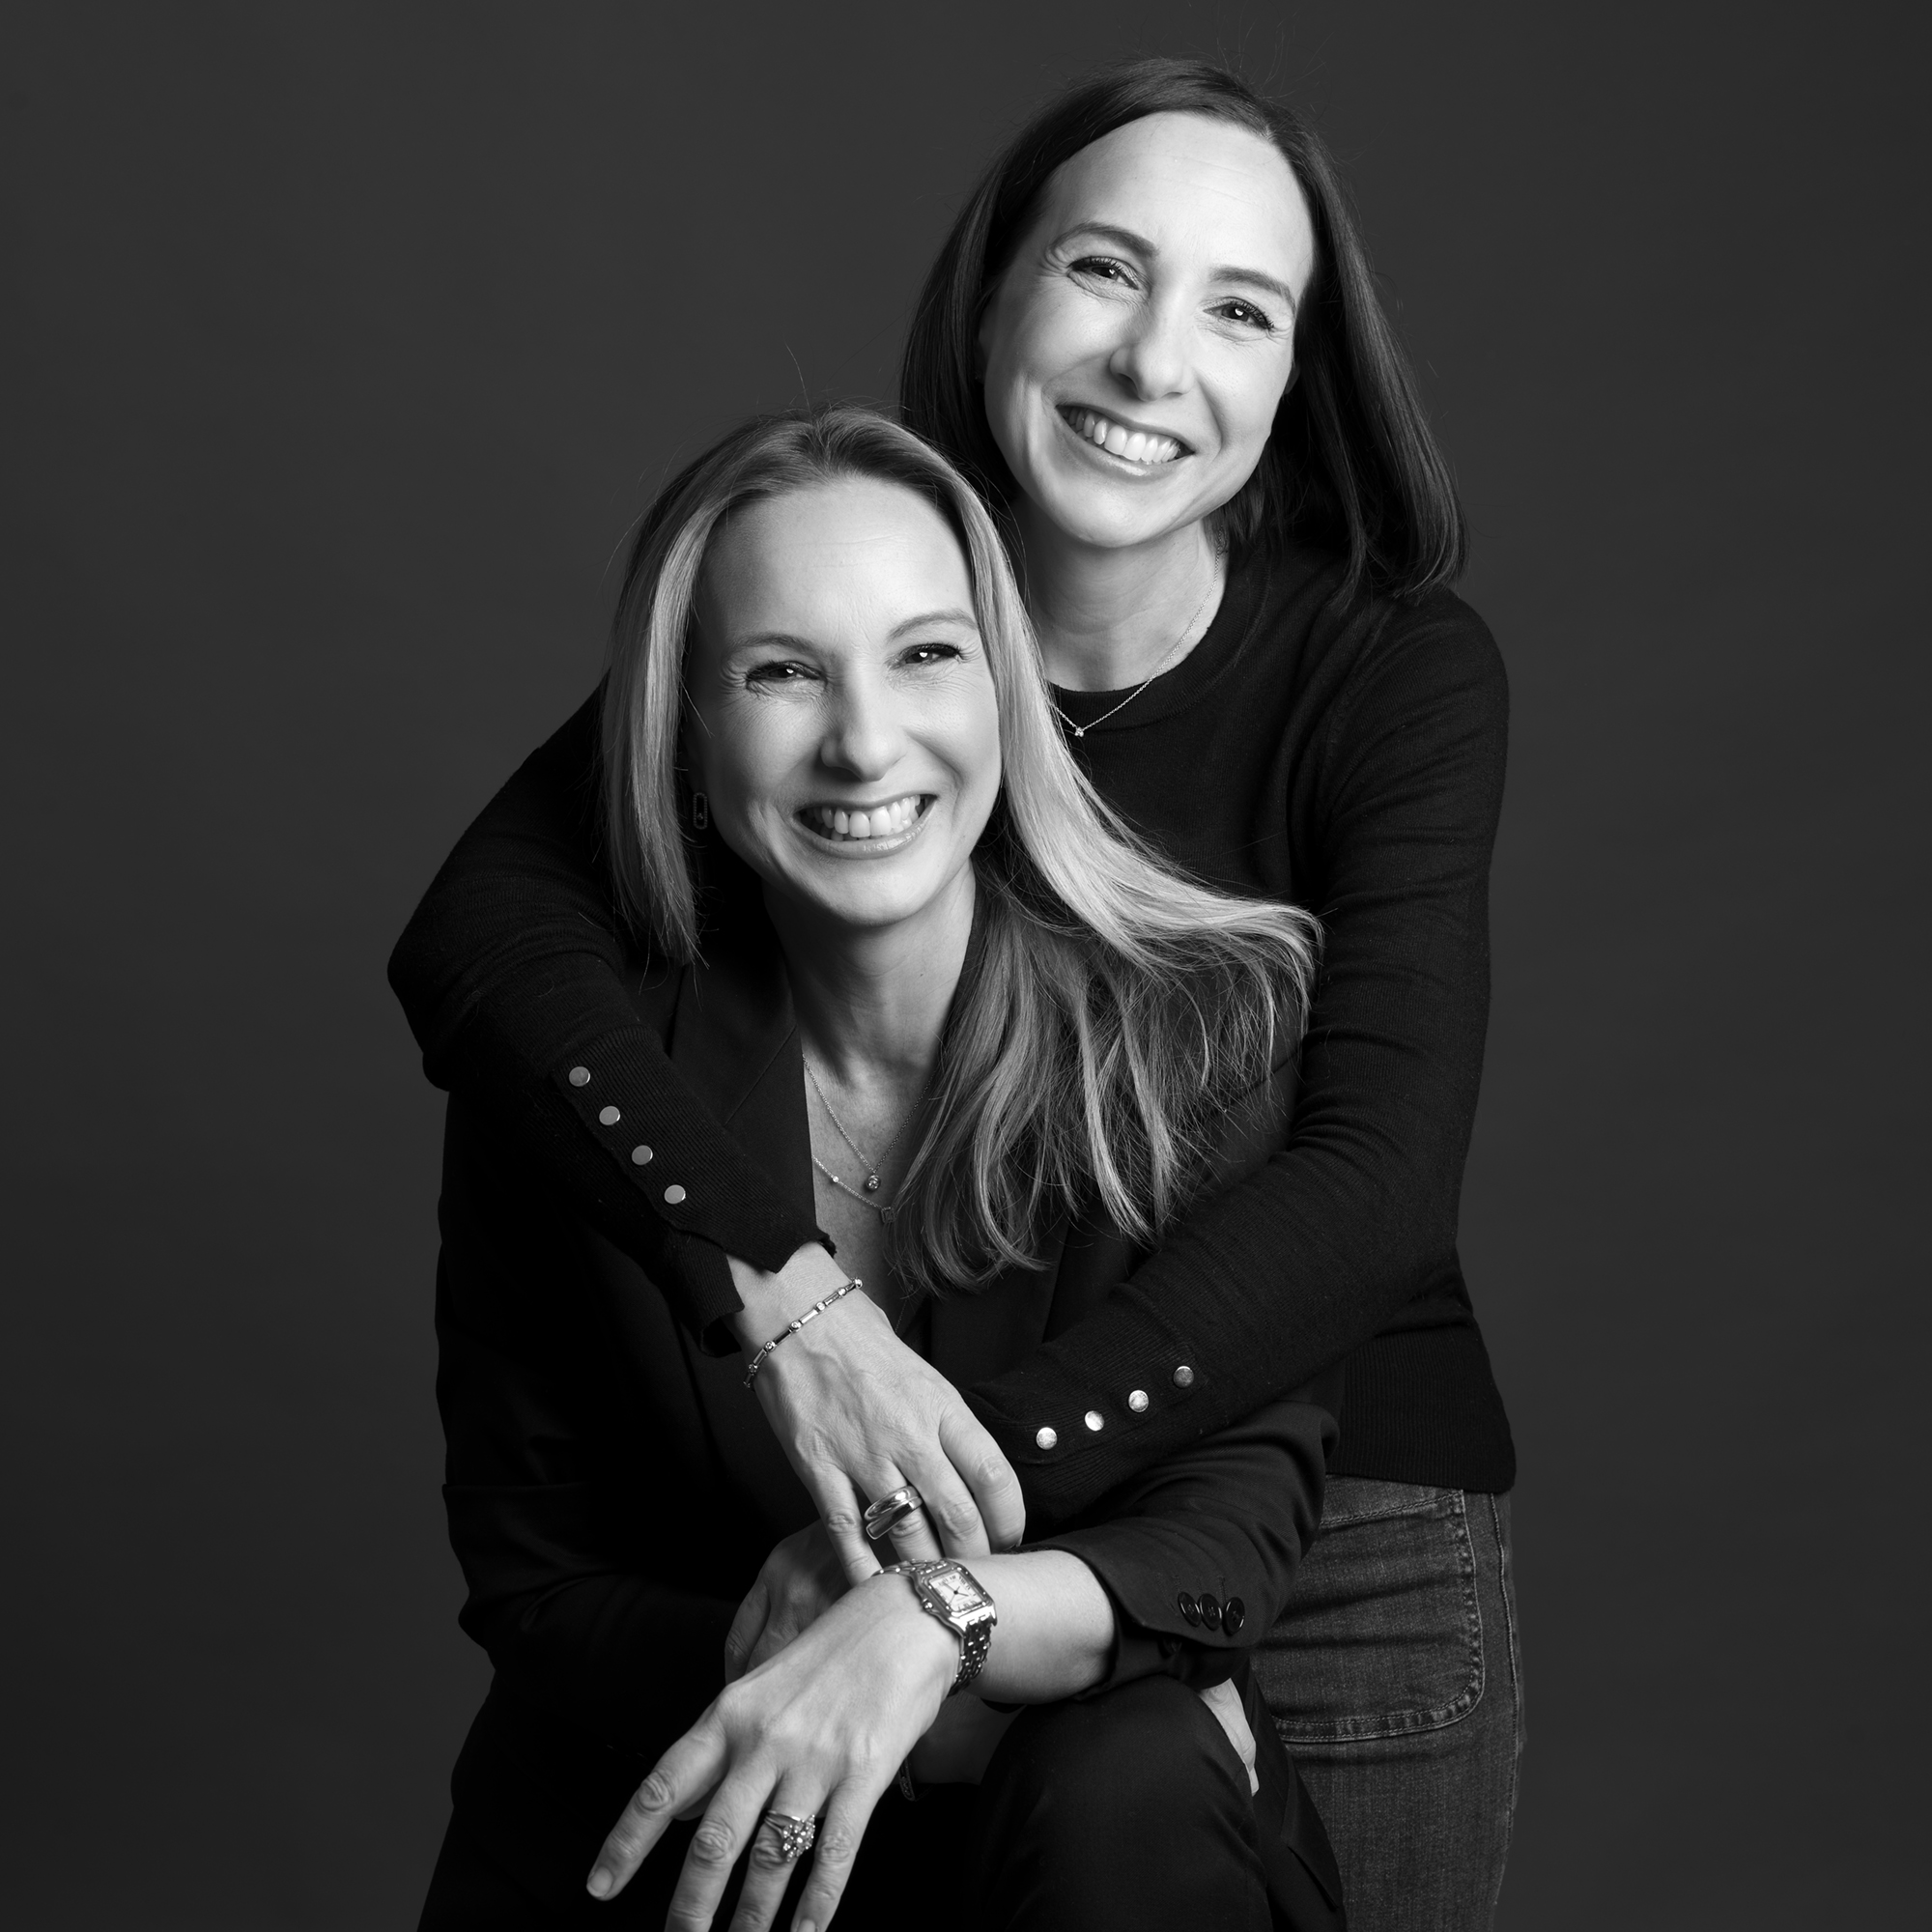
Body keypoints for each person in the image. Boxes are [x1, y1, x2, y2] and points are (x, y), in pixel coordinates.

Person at [392, 57, 1520, 1929]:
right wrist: (786, 1296)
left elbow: (1377, 1192)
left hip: (1317, 1485)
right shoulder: (864, 581)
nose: (1155, 362)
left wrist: (943, 1533)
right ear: (990, 291)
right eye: (1102, 270)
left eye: (1239, 307)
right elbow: (481, 943)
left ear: (1297, 375)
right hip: (917, 1414)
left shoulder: (1383, 677)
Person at [416, 405, 1346, 1930]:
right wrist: (888, 1684)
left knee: (1130, 1763)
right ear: (680, 734)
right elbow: (539, 1584)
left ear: (1009, 691)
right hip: (684, 1845)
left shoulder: (1204, 1034)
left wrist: (927, 1628)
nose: (863, 739)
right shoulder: (582, 1084)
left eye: (926, 655)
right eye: (782, 672)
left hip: (1095, 1854)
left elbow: (1228, 1533)